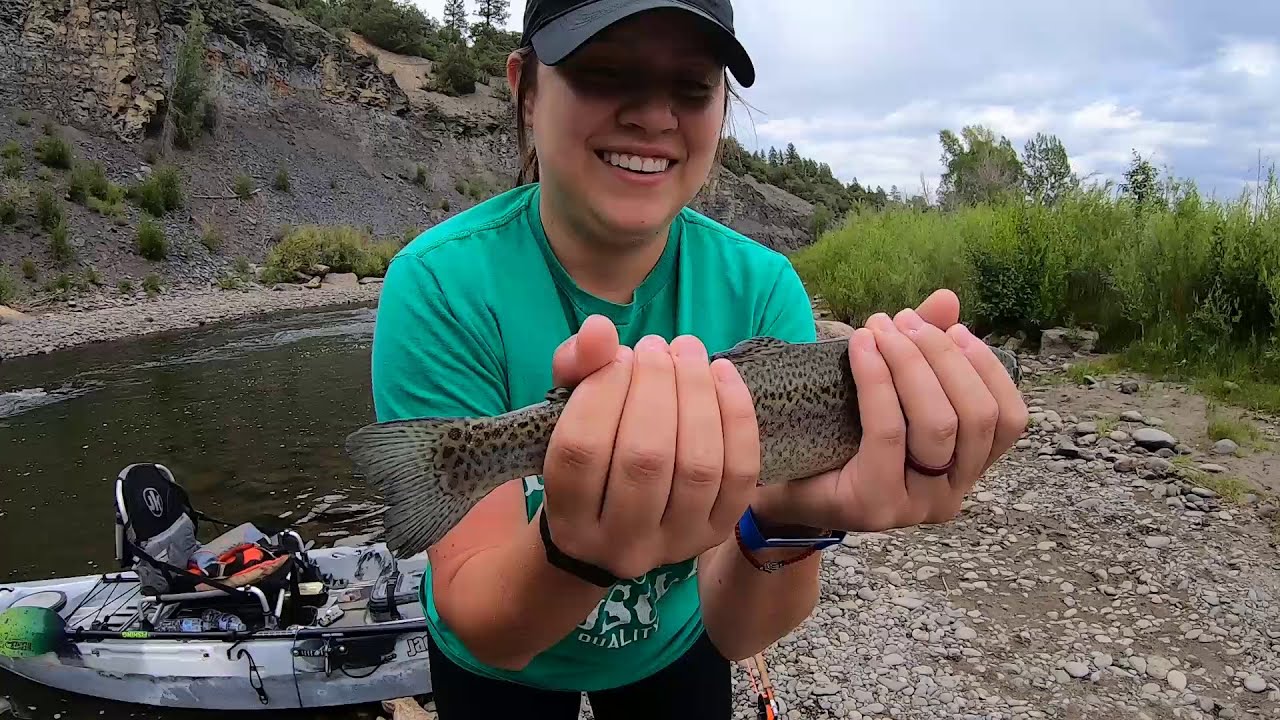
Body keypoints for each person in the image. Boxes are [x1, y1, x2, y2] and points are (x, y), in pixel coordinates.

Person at [368, 0, 1028, 717]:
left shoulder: (764, 286)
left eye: (690, 87)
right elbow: (485, 622)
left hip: (673, 644)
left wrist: (792, 520)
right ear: (524, 88)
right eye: (605, 72)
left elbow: (740, 629)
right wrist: (576, 549)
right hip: (497, 663)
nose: (654, 116)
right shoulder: (438, 283)